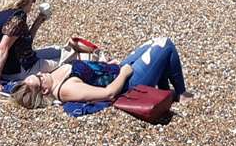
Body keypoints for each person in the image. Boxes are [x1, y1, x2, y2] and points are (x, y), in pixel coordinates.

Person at [10, 36, 188, 108]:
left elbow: (90, 73)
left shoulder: (54, 79)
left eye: (38, 74)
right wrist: (125, 73)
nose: (42, 74)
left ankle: (165, 92)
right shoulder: (66, 89)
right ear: (45, 90)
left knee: (154, 42)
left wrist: (102, 64)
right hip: (128, 84)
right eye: (40, 78)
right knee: (165, 44)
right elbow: (108, 93)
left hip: (115, 70)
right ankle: (180, 93)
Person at [0, 0, 53, 91]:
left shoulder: (0, 14)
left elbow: (24, 42)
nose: (34, 2)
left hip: (11, 64)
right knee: (65, 59)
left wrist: (38, 21)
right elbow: (2, 48)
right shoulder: (17, 18)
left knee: (57, 50)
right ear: (24, 0)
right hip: (17, 70)